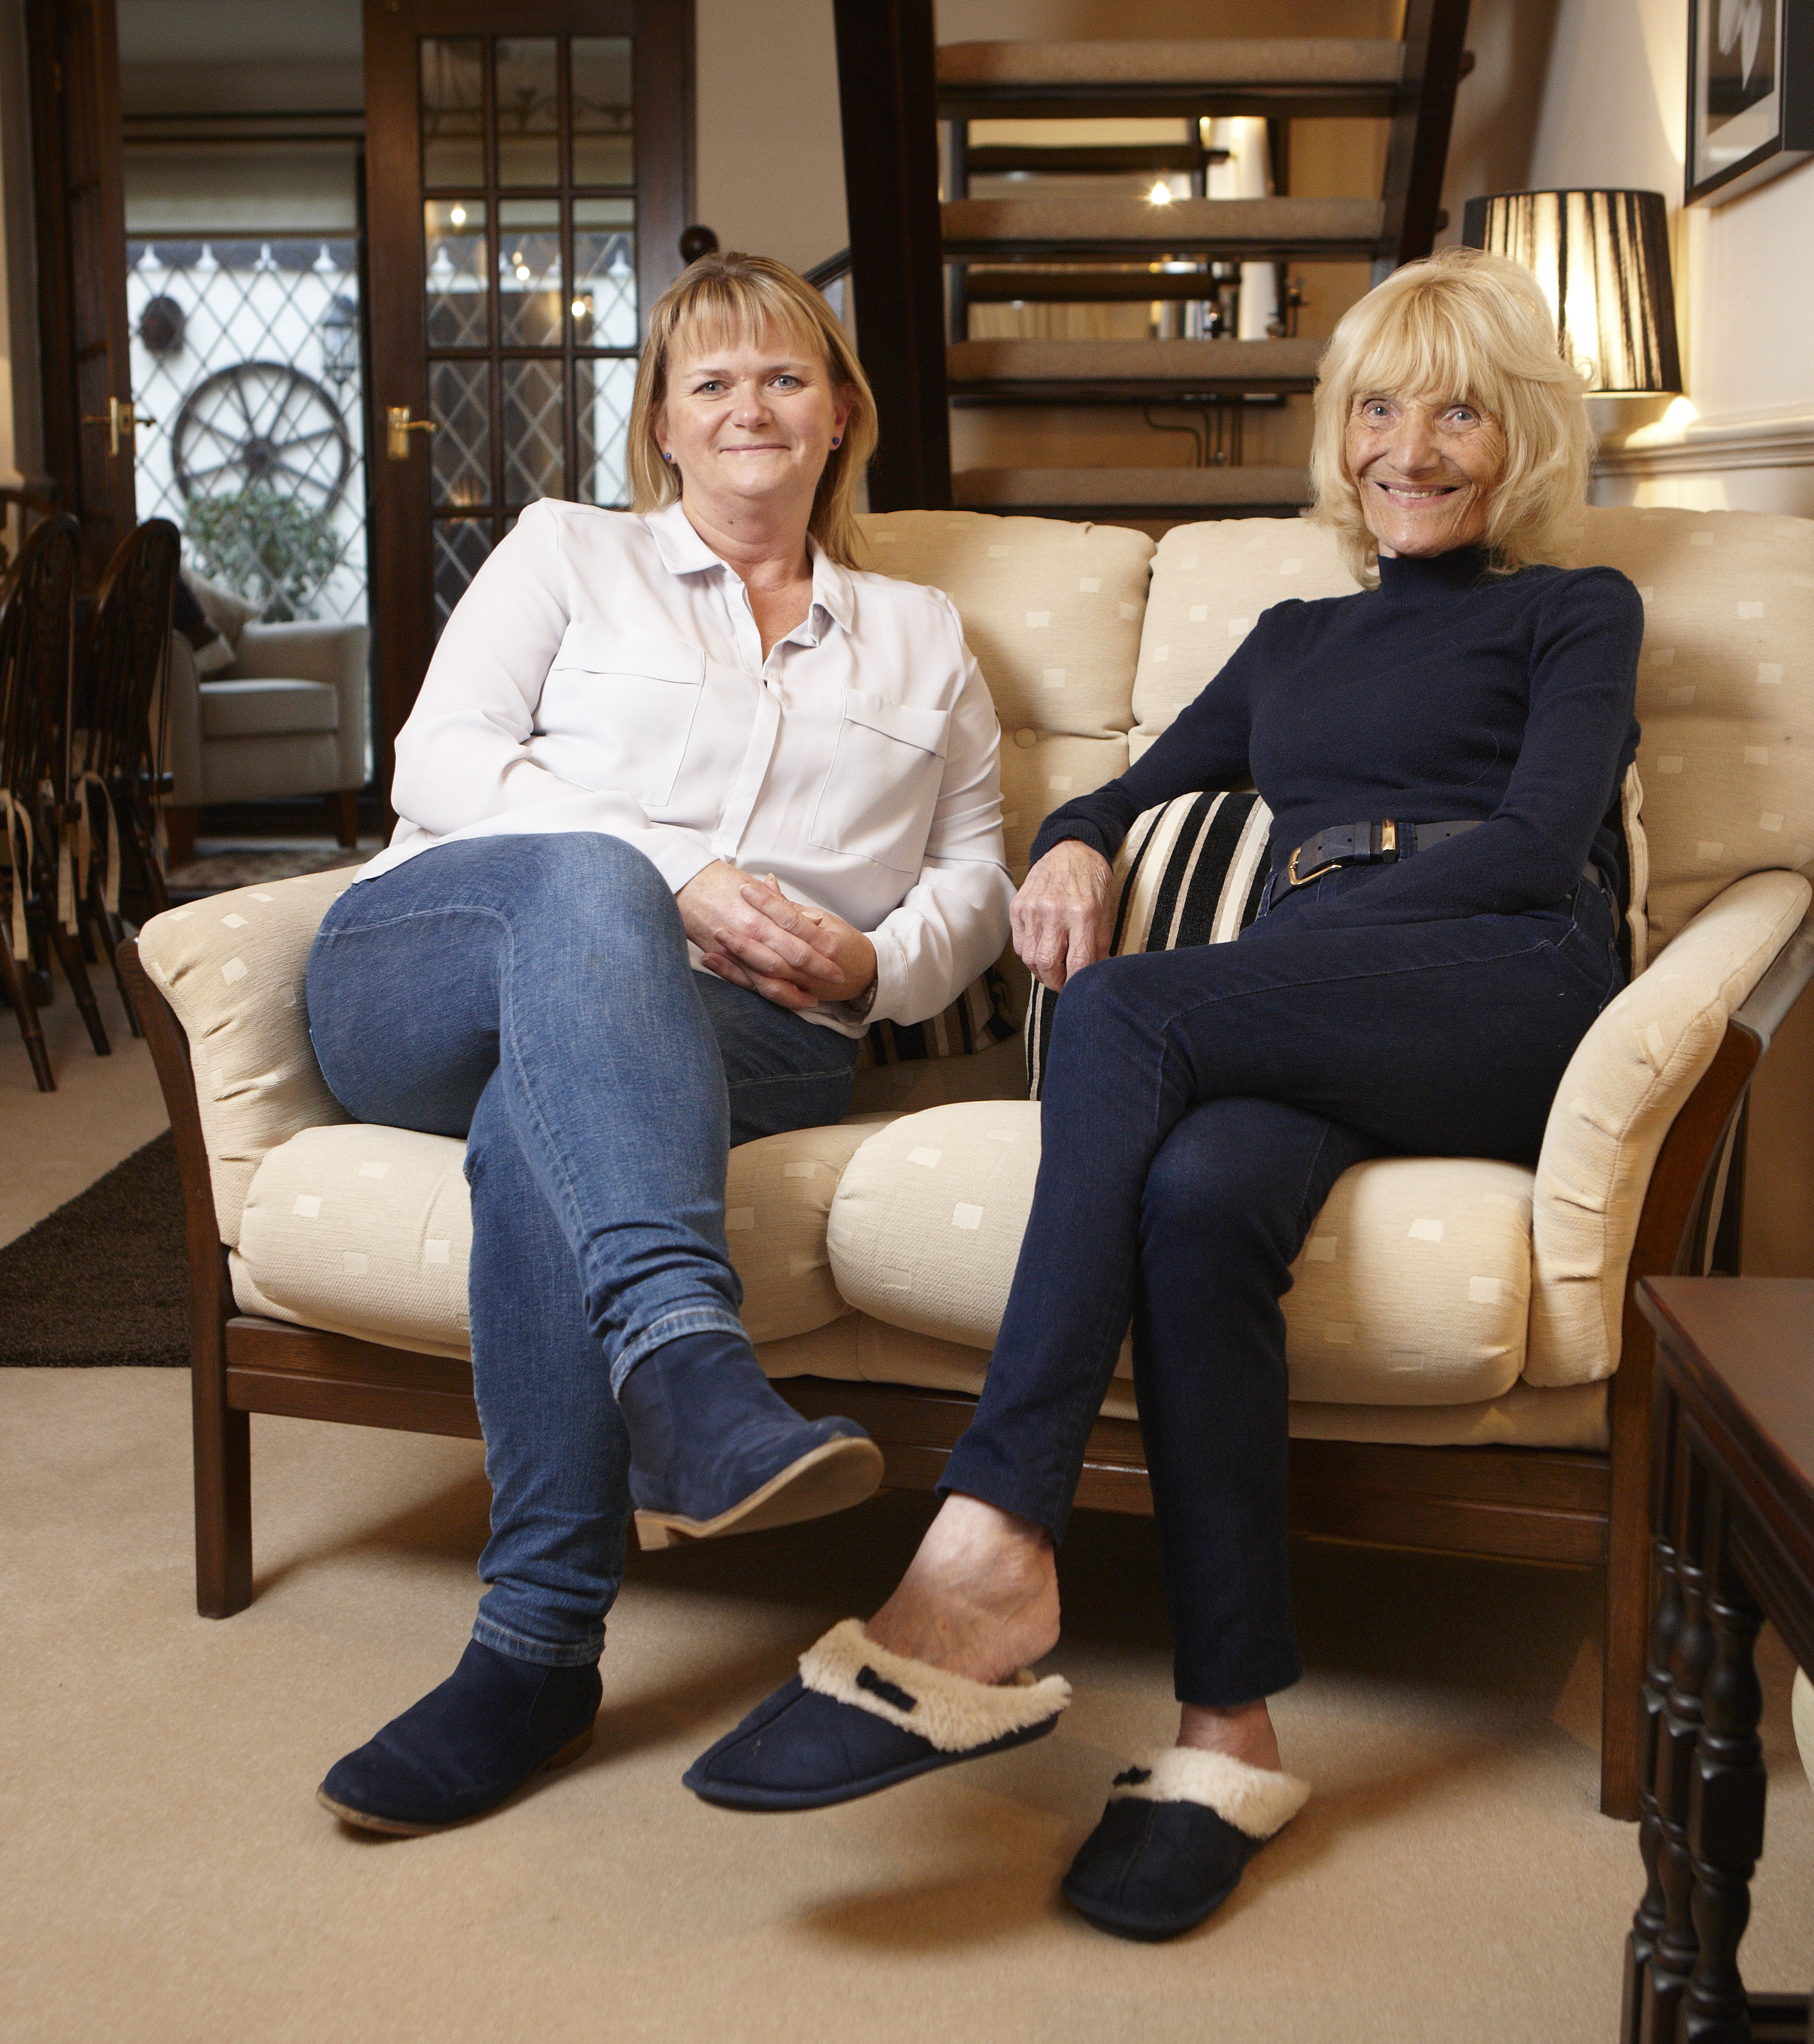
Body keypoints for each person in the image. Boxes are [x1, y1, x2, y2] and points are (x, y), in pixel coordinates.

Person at [683, 248, 1643, 1941]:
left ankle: (988, 1547)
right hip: (1332, 989)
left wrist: (1302, 941)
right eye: (1375, 406)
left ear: (1524, 440)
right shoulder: (1291, 636)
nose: (1409, 446)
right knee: (1201, 1203)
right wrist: (1071, 837)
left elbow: (1542, 844)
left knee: (1128, 1013)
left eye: (1460, 411)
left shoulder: (1573, 609)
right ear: (1338, 436)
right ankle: (1226, 1733)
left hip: (1508, 974)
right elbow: (1135, 785)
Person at [304, 251, 1012, 1835]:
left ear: (841, 416)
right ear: (663, 428)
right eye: (713, 381)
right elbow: (440, 758)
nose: (750, 405)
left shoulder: (922, 637)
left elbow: (978, 872)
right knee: (589, 878)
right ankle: (687, 1363)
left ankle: (536, 1653)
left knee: (534, 1133)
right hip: (432, 969)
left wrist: (881, 960)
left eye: (784, 377)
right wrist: (655, 872)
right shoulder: (568, 555)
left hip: (752, 1031)